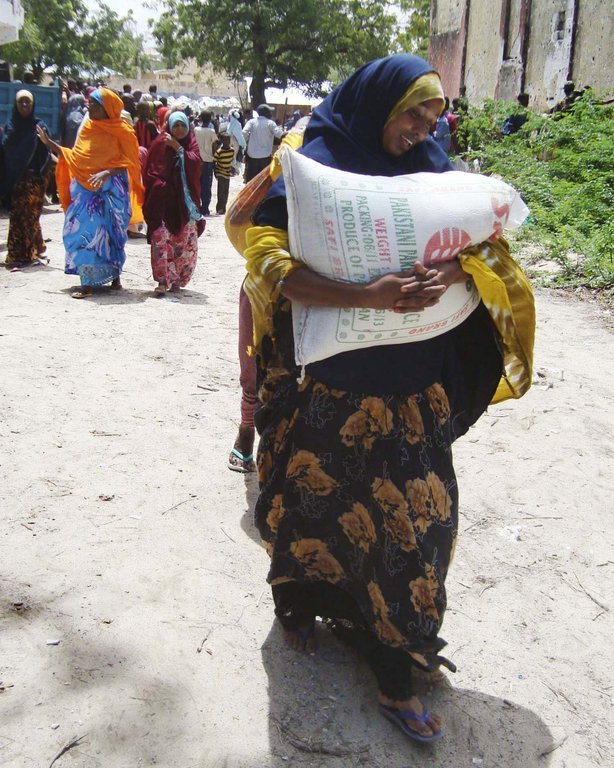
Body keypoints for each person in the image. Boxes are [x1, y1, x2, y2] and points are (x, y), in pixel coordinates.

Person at [242, 54, 534, 744]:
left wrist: (452, 268)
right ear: (377, 104)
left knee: (418, 527)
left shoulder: (433, 167)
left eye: (433, 117)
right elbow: (267, 260)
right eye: (412, 114)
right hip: (331, 385)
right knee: (314, 504)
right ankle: (302, 604)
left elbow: (485, 252)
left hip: (412, 386)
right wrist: (365, 295)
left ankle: (396, 664)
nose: (422, 130)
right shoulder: (313, 160)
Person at [37, 88, 144, 298]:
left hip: (111, 194)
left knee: (112, 236)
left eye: (94, 105)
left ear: (106, 108)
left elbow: (129, 162)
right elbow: (76, 157)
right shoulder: (87, 128)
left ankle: (114, 276)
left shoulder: (122, 131)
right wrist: (50, 143)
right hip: (86, 195)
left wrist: (107, 172)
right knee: (83, 234)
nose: (90, 108)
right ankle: (87, 282)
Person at [143, 111, 205, 295]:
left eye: (182, 125)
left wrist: (178, 148)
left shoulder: (191, 144)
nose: (179, 129)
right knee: (161, 239)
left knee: (184, 241)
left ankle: (177, 280)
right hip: (163, 202)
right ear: (169, 126)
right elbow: (150, 171)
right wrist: (160, 186)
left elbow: (196, 164)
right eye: (175, 125)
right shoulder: (160, 143)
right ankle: (163, 280)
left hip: (185, 205)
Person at [0, 90, 52, 267]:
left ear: (33, 104)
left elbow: (46, 154)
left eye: (27, 102)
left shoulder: (39, 127)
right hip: (15, 180)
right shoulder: (11, 127)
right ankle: (20, 253)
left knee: (29, 217)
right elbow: (5, 155)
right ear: (16, 105)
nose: (24, 105)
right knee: (18, 217)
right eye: (21, 102)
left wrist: (38, 175)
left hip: (33, 181)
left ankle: (28, 254)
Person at [242, 104, 283, 182]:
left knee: (252, 181)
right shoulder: (270, 123)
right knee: (262, 182)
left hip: (252, 157)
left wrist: (246, 143)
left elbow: (244, 133)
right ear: (266, 113)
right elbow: (280, 134)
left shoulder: (251, 122)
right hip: (265, 158)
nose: (271, 114)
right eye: (269, 112)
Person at [194, 110, 218, 215]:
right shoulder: (211, 131)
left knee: (197, 184)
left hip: (197, 160)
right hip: (208, 161)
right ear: (210, 119)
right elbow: (215, 145)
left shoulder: (196, 130)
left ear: (200, 118)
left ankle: (197, 206)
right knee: (206, 186)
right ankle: (205, 208)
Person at [213, 132, 234, 215]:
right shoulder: (219, 151)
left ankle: (223, 207)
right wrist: (215, 172)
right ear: (221, 141)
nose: (227, 142)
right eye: (225, 140)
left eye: (228, 140)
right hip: (220, 173)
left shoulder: (232, 150)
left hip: (227, 174)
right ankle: (219, 208)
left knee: (226, 191)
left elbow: (231, 160)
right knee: (220, 191)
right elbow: (214, 161)